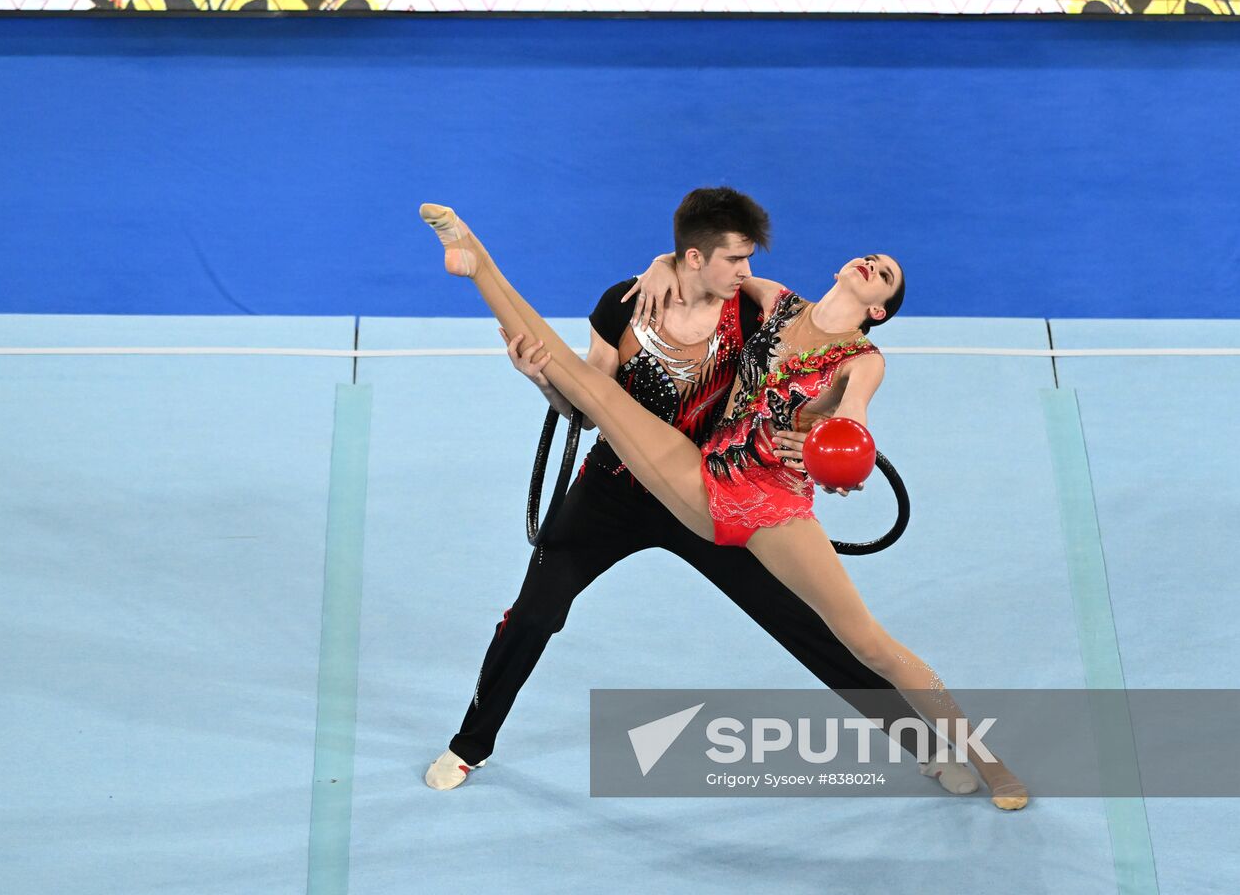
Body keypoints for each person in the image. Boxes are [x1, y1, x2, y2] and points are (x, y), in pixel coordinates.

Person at [418, 199, 1028, 810]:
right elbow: (680, 288)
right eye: (872, 258)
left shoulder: (813, 334)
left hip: (746, 503)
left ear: (878, 311)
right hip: (648, 478)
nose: (744, 266)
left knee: (828, 635)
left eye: (886, 274)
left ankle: (937, 746)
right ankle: (479, 264)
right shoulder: (710, 301)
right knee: (536, 599)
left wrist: (836, 451)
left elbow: (853, 414)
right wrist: (653, 271)